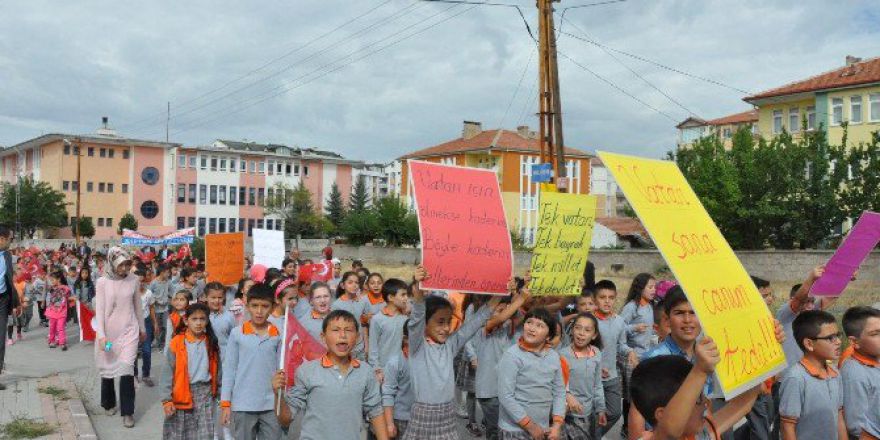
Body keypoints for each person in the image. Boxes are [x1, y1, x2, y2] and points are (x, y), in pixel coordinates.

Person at [403, 265, 500, 439]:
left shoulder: (450, 345)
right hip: (423, 416)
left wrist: (500, 294)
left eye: (448, 321)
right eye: (440, 322)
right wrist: (418, 287)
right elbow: (417, 316)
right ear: (425, 323)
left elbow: (477, 321)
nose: (446, 328)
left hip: (447, 415)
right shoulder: (418, 346)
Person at [273, 310, 388, 440]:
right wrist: (278, 395)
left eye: (348, 330)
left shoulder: (365, 372)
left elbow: (375, 412)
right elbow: (285, 419)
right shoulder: (307, 371)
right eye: (335, 330)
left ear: (357, 337)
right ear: (323, 337)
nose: (342, 335)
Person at [630, 340, 762, 440]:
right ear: (662, 415)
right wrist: (699, 370)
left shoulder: (699, 435)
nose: (707, 403)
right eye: (697, 399)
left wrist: (763, 363)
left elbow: (742, 404)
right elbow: (670, 430)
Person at [220, 283, 282, 440]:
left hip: (271, 404)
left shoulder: (278, 334)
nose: (259, 311)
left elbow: (281, 369)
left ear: (273, 307)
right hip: (243, 404)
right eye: (254, 306)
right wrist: (226, 403)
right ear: (247, 306)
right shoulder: (237, 333)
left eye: (265, 306)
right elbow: (229, 370)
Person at [497, 307, 566, 440]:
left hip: (543, 428)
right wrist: (530, 426)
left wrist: (557, 425)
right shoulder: (512, 355)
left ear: (548, 336)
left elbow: (559, 392)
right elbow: (506, 396)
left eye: (540, 325)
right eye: (529, 322)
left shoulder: (553, 356)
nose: (532, 328)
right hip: (514, 429)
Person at [94, 247, 144, 428]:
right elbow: (99, 310)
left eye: (127, 264)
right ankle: (108, 402)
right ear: (112, 263)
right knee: (108, 367)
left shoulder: (133, 280)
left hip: (129, 331)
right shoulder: (102, 282)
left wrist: (142, 328)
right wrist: (101, 335)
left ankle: (128, 412)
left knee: (127, 369)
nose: (124, 268)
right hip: (108, 335)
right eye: (121, 265)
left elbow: (138, 306)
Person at [474, 281, 529, 440]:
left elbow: (520, 313)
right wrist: (520, 298)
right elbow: (501, 318)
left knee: (503, 431)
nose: (503, 312)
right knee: (495, 432)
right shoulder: (483, 327)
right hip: (489, 391)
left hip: (504, 391)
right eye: (498, 310)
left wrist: (524, 287)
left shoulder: (507, 327)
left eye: (505, 309)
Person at [780, 310, 846, 440]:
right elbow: (787, 426)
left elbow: (838, 416)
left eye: (838, 335)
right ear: (809, 344)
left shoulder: (835, 373)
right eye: (830, 338)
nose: (838, 341)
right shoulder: (796, 378)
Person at [160, 302, 220, 440]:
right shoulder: (177, 342)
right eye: (194, 319)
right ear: (186, 321)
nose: (198, 323)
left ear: (207, 321)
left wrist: (221, 394)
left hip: (205, 393)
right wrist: (166, 400)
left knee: (205, 434)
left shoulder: (211, 342)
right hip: (181, 393)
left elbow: (218, 371)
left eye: (202, 319)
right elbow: (167, 373)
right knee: (180, 434)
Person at [592, 280, 636, 435]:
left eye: (611, 297)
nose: (607, 301)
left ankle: (592, 435)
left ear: (615, 298)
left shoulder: (619, 321)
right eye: (602, 297)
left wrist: (630, 351)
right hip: (590, 376)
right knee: (592, 413)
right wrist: (595, 366)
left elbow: (621, 344)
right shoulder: (589, 321)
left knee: (615, 412)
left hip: (611, 375)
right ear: (594, 299)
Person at [559, 313, 606, 440]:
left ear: (594, 335)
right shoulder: (562, 355)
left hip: (588, 413)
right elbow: (556, 385)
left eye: (587, 330)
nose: (581, 333)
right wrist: (567, 396)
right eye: (578, 328)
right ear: (572, 330)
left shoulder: (596, 353)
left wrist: (601, 409)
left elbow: (597, 384)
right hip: (567, 414)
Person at [840, 306, 880, 439]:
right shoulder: (854, 373)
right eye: (875, 334)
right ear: (854, 341)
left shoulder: (875, 358)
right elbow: (857, 425)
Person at [367, 278, 411, 384]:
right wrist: (377, 370)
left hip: (403, 370)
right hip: (384, 372)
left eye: (407, 295)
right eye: (403, 295)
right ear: (391, 297)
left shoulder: (406, 318)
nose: (406, 298)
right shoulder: (377, 319)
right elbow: (373, 349)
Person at [382, 320, 414, 439]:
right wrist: (389, 424)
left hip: (425, 417)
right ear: (406, 339)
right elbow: (388, 393)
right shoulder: (395, 363)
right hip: (402, 419)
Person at [0, 225, 22, 389]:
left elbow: (9, 280)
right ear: (2, 239)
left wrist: (16, 302)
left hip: (3, 300)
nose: (11, 242)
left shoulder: (7, 255)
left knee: (1, 340)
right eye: (10, 239)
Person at [332, 271, 372, 361]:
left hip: (360, 348)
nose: (354, 285)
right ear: (343, 285)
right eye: (350, 282)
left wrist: (366, 346)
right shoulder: (337, 305)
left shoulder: (362, 302)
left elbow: (364, 325)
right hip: (345, 348)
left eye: (356, 283)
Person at [134, 268, 159, 387]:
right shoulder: (129, 294)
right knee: (133, 351)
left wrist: (155, 323)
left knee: (147, 350)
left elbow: (152, 308)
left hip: (146, 322)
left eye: (142, 281)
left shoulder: (149, 293)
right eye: (137, 281)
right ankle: (134, 375)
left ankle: (146, 375)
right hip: (133, 324)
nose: (140, 284)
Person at [45, 269, 71, 350]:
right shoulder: (52, 288)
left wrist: (73, 298)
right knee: (52, 327)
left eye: (53, 280)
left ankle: (62, 343)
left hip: (62, 312)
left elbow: (68, 295)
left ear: (58, 279)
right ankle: (52, 341)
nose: (51, 281)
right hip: (52, 311)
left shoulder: (65, 288)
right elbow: (49, 297)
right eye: (51, 280)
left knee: (60, 328)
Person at [150, 264, 172, 351]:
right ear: (162, 272)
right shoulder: (154, 283)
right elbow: (149, 294)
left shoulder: (168, 282)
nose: (168, 274)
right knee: (158, 327)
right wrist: (156, 300)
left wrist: (169, 299)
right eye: (167, 272)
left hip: (165, 308)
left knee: (166, 327)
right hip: (156, 309)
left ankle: (163, 343)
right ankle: (159, 345)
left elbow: (172, 292)